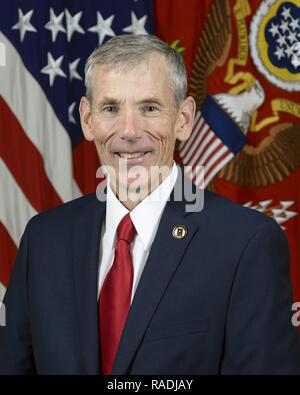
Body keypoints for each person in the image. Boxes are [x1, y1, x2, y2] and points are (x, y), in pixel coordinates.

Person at [0, 34, 300, 375]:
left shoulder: (247, 244)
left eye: (150, 108)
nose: (129, 131)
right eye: (111, 108)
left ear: (184, 119)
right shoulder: (44, 239)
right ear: (87, 119)